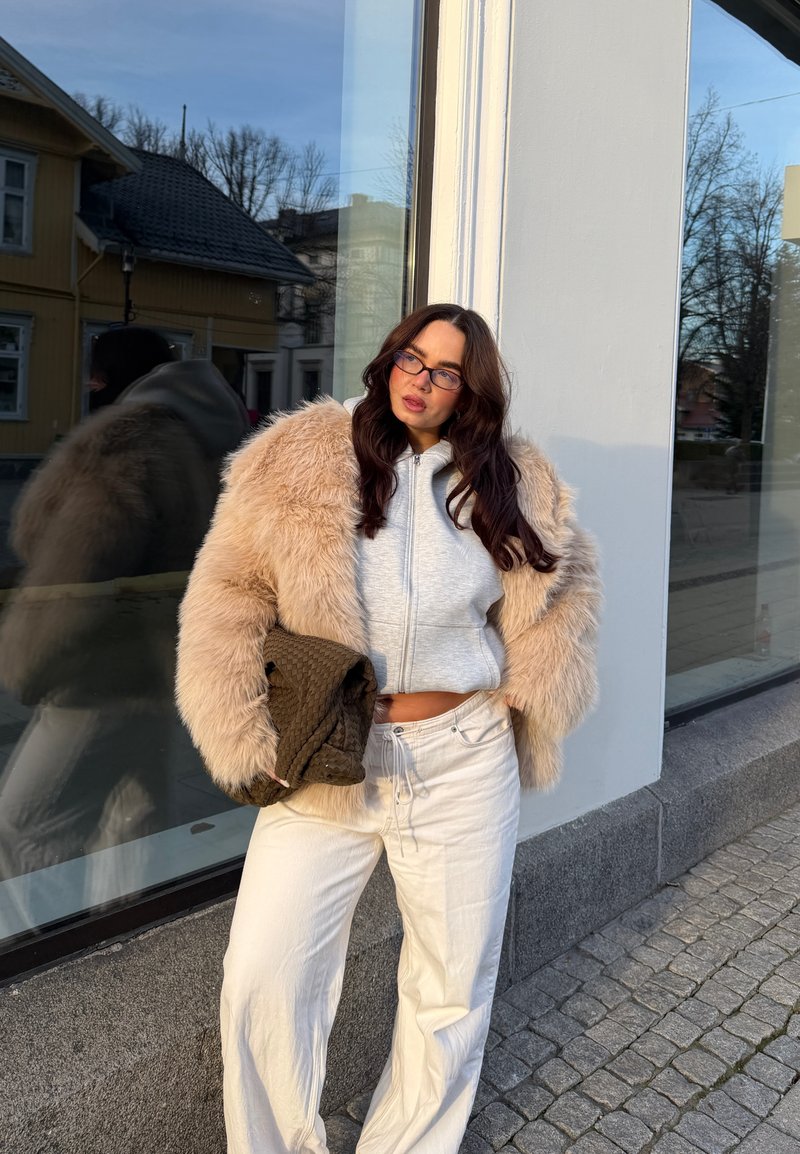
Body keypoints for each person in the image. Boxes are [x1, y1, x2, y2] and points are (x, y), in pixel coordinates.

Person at [176, 302, 601, 1154]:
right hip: (332, 753)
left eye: (446, 372)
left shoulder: (512, 479)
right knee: (265, 975)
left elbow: (568, 582)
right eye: (412, 358)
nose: (422, 381)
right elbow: (229, 594)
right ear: (388, 358)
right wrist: (239, 728)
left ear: (470, 391)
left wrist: (536, 684)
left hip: (461, 758)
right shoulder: (301, 456)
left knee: (450, 988)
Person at [0, 327, 250, 892]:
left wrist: (26, 666)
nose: (90, 385)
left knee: (25, 828)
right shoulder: (210, 440)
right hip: (163, 670)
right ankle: (133, 934)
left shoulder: (124, 445)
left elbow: (74, 571)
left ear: (110, 379)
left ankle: (51, 950)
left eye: (96, 375)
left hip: (100, 673)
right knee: (133, 827)